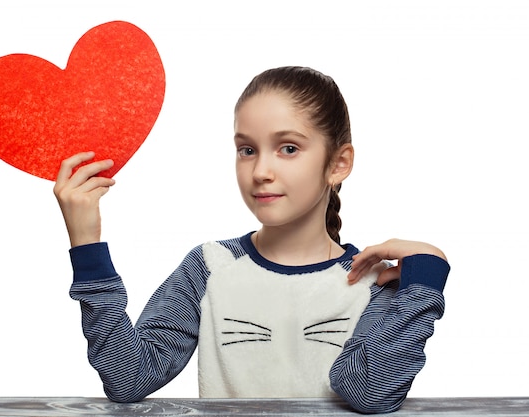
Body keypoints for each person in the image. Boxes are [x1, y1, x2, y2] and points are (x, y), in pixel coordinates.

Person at [53, 66, 450, 414]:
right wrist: (87, 245)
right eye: (247, 149)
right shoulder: (209, 268)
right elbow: (129, 378)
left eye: (288, 148)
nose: (261, 170)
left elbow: (366, 391)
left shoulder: (373, 283)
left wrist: (426, 274)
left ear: (338, 163)